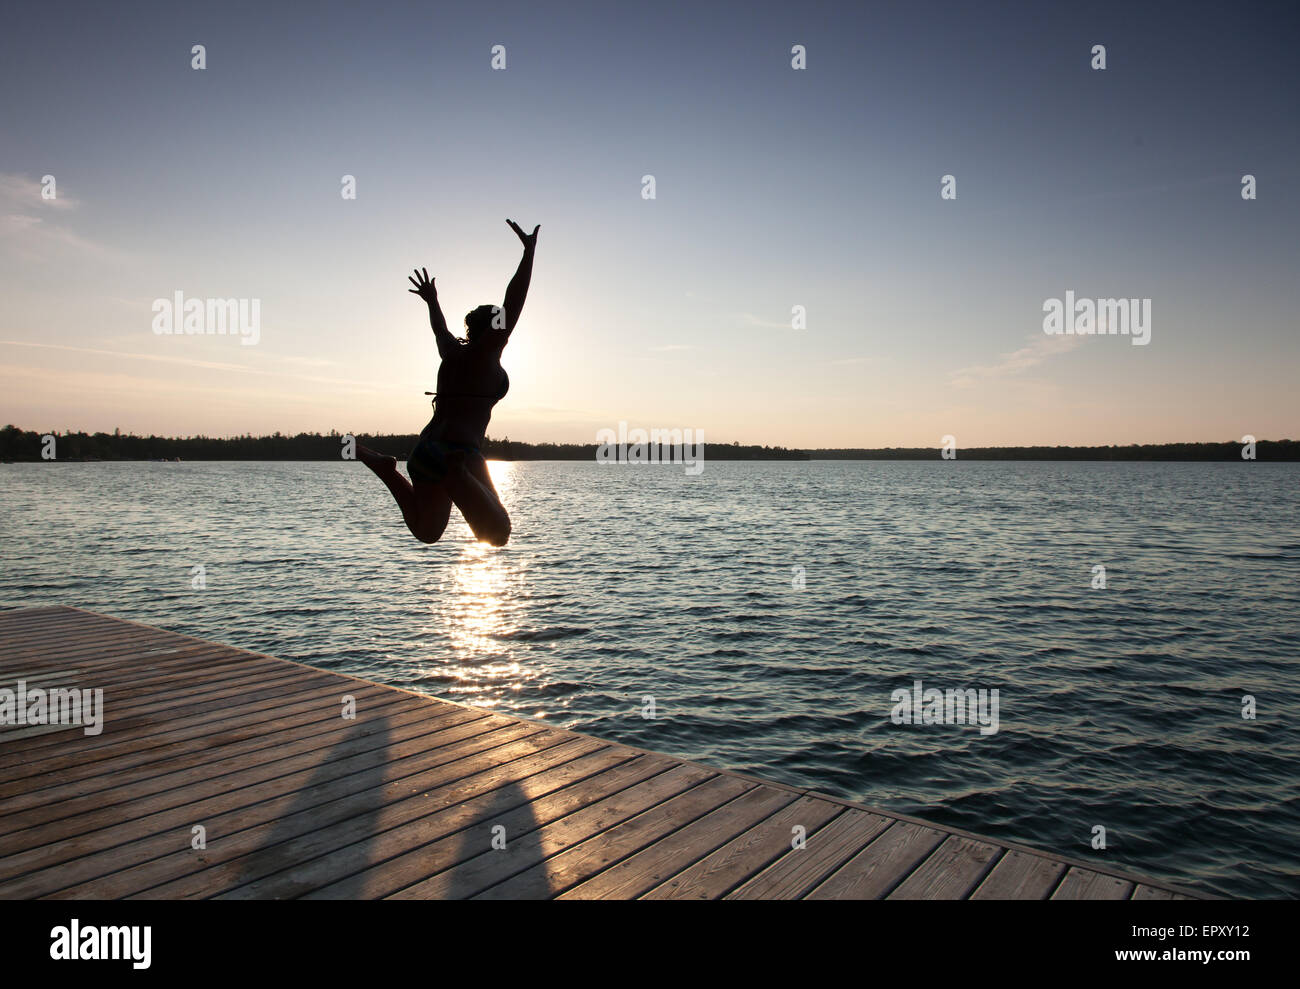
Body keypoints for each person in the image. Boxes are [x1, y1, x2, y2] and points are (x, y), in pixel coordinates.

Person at [356, 219, 538, 546]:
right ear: (494, 331)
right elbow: (514, 302)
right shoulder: (485, 354)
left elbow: (439, 328)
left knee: (427, 532)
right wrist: (528, 254)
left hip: (426, 451)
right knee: (497, 533)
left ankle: (386, 470)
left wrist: (432, 300)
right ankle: (455, 475)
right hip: (459, 454)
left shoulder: (451, 352)